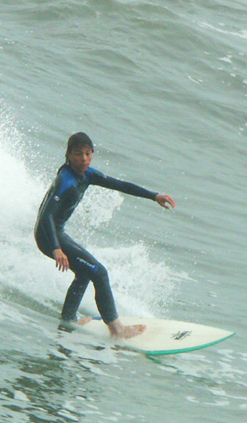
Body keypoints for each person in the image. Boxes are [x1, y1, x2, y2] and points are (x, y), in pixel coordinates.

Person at [34, 132, 175, 339]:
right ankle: (117, 329)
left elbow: (120, 184)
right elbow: (45, 216)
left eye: (88, 154)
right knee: (99, 272)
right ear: (68, 155)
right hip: (48, 236)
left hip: (56, 233)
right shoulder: (64, 180)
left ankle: (68, 320)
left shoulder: (88, 175)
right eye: (78, 154)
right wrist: (56, 248)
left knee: (85, 273)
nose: (84, 159)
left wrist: (154, 196)